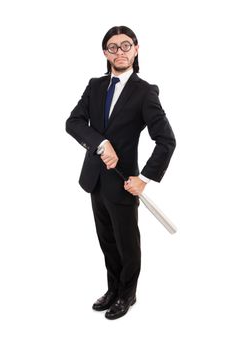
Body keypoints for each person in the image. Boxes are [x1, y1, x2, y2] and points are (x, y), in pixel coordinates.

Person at [66, 26, 176, 320]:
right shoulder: (95, 86)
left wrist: (145, 178)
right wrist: (101, 144)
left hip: (125, 182)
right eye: (113, 47)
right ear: (106, 53)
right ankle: (113, 288)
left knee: (127, 244)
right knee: (107, 240)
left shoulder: (145, 92)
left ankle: (128, 294)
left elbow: (166, 140)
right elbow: (73, 122)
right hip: (95, 179)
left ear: (136, 49)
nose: (120, 51)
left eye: (126, 45)